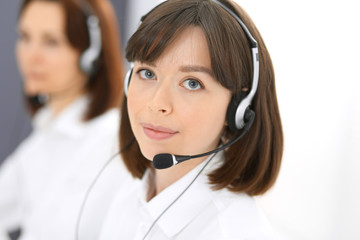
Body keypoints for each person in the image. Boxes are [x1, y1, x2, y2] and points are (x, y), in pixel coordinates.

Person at [99, 0, 283, 239]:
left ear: (238, 107)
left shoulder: (234, 232)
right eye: (147, 73)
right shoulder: (131, 193)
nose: (157, 103)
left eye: (192, 83)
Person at [0, 0, 127, 239]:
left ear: (90, 54)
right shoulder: (47, 133)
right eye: (25, 37)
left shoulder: (109, 143)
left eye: (51, 42)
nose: (31, 55)